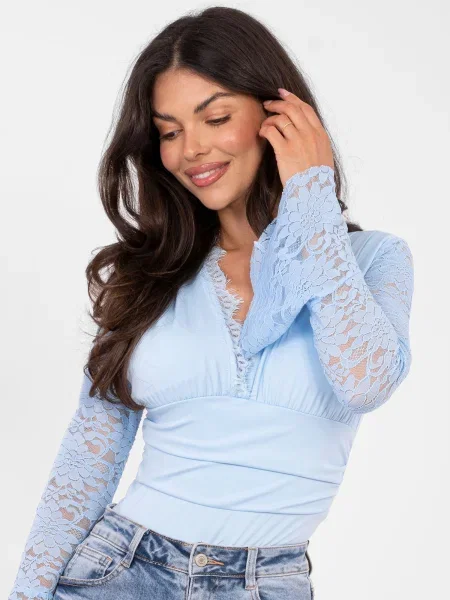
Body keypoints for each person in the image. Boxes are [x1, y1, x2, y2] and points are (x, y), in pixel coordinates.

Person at [8, 6, 414, 600]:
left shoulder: (372, 260)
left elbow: (365, 382)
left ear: (280, 115)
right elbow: (88, 459)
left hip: (266, 583)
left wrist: (311, 196)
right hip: (121, 571)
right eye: (169, 132)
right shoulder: (148, 275)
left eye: (215, 117)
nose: (191, 150)